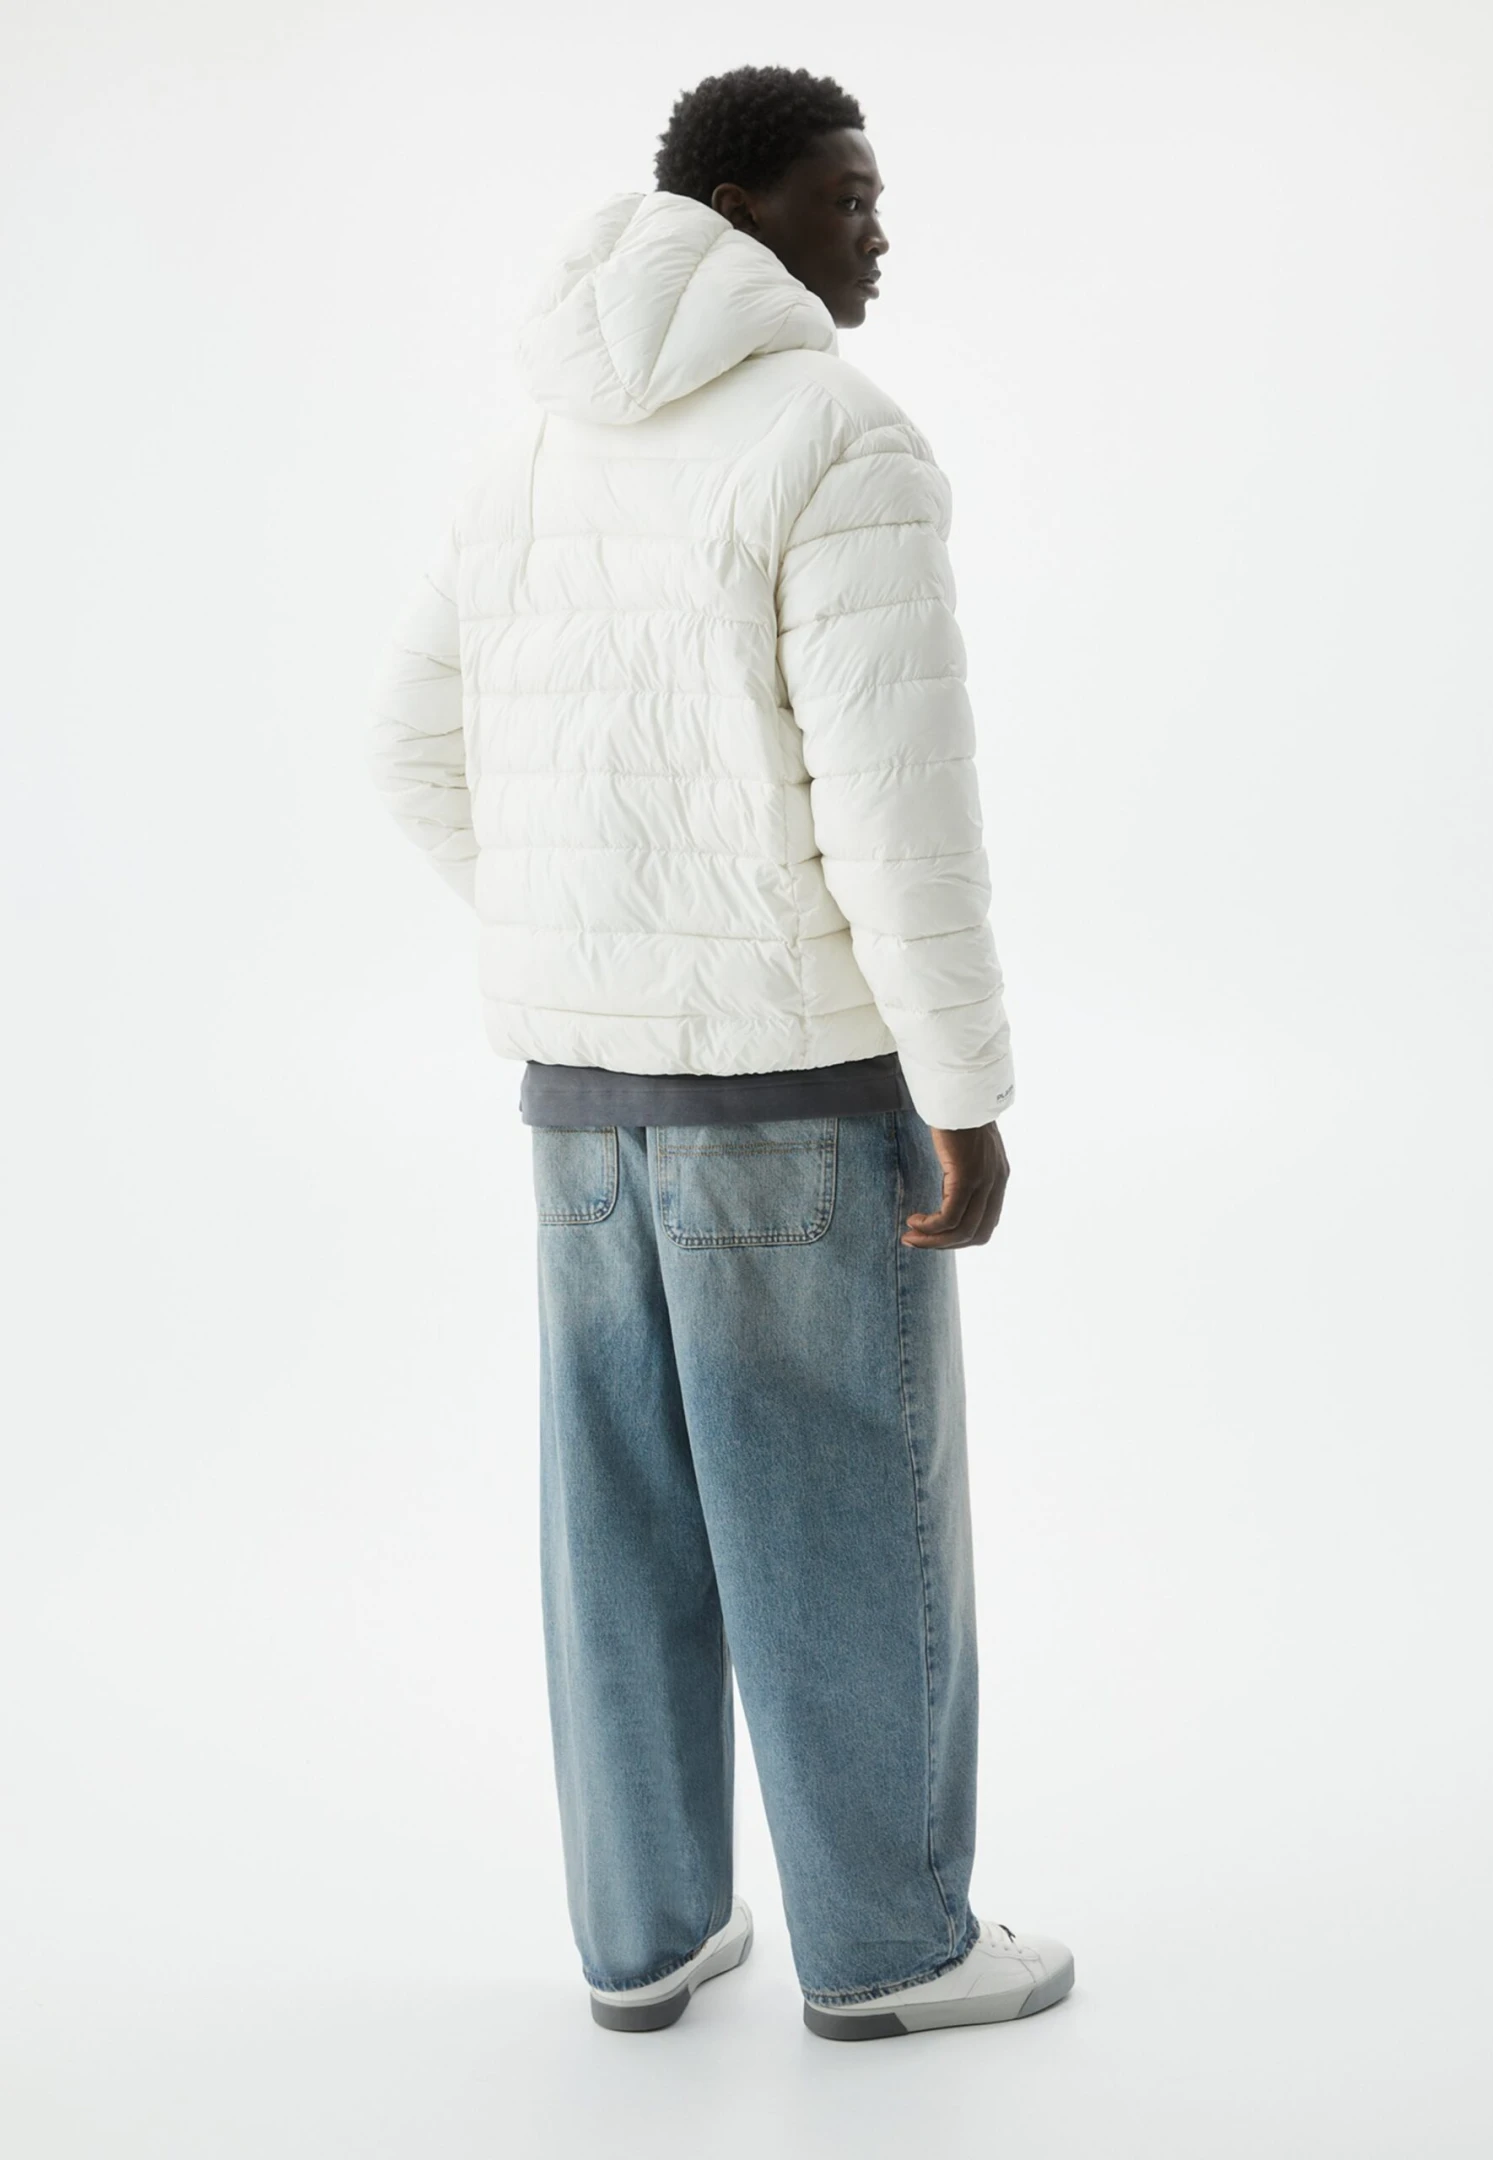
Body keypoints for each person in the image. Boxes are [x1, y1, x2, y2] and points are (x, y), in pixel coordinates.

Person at [366, 62, 1074, 2042]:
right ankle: (891, 1949)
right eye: (849, 194)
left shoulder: (529, 446)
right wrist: (966, 1094)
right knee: (841, 1512)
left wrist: (587, 942)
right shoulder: (840, 436)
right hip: (793, 1094)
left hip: (577, 1101)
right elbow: (898, 811)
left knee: (622, 1530)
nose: (878, 233)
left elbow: (407, 747)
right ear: (743, 207)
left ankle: (646, 1941)